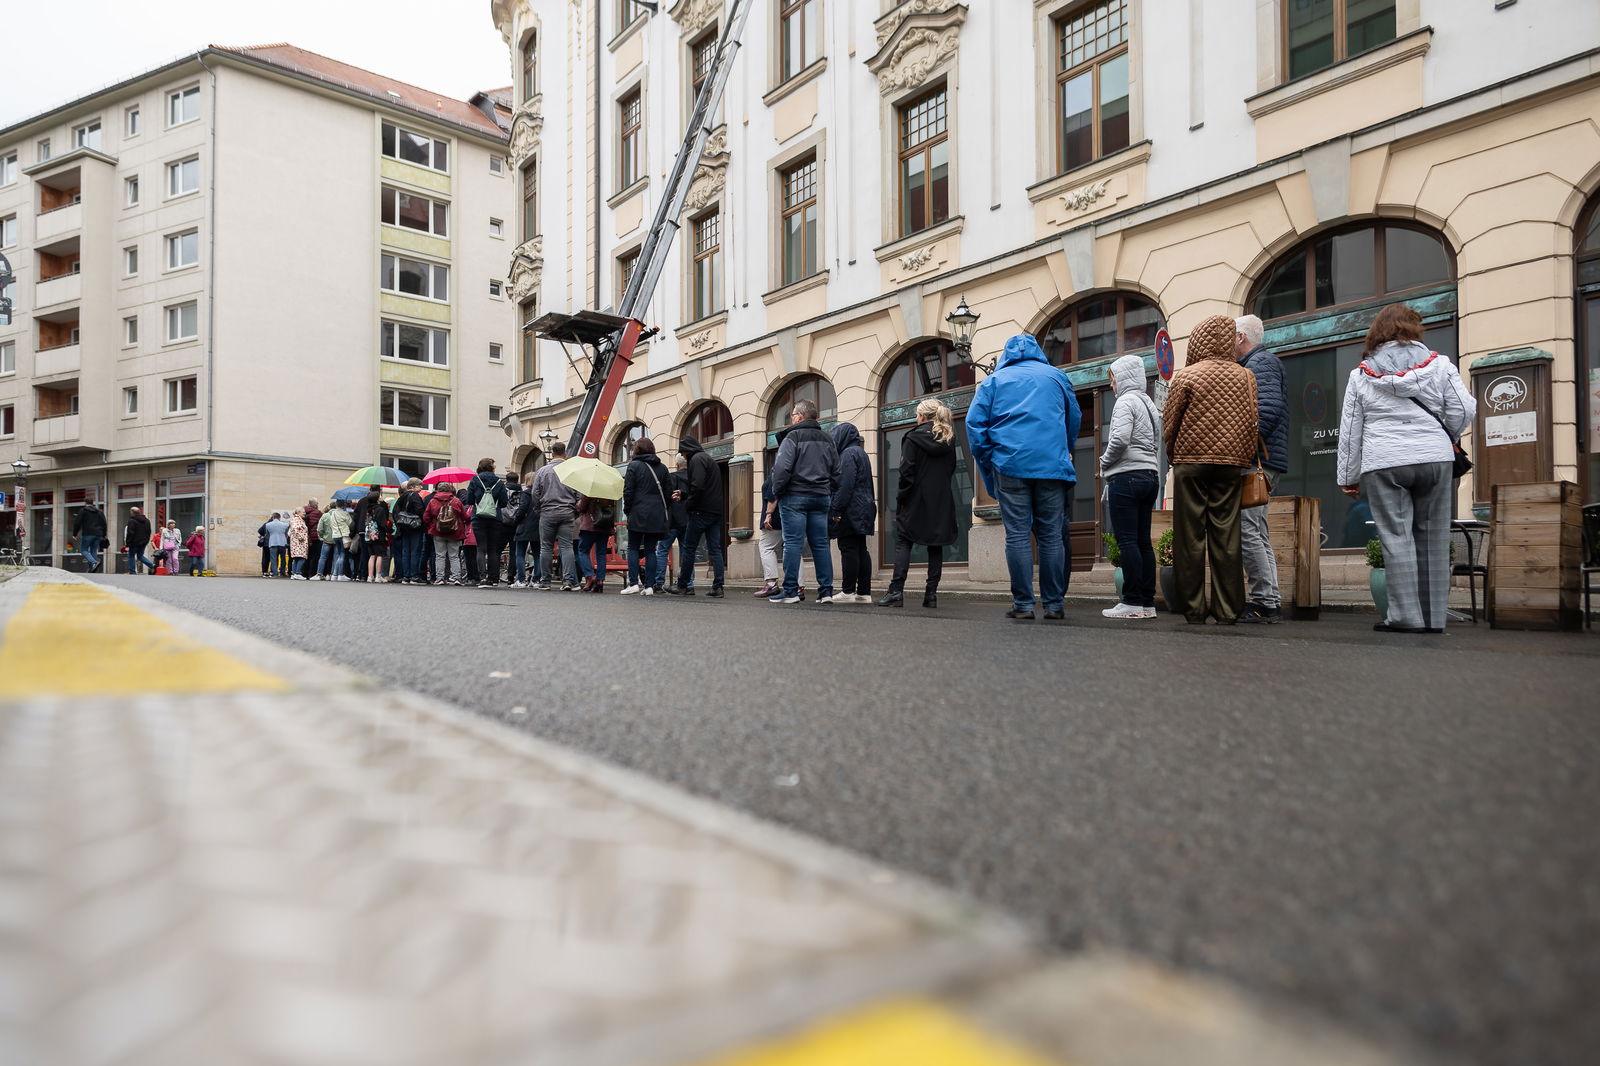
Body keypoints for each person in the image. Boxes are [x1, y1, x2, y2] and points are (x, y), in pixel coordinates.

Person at [1336, 303, 1476, 634]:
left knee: (1396, 537)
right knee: (1434, 536)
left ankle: (1405, 616)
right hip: (1434, 459)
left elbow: (1351, 428)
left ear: (1377, 333)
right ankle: (1433, 618)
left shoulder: (1361, 375)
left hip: (1384, 461)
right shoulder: (1441, 366)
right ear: (1414, 329)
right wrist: (1445, 437)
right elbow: (1464, 408)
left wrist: (1348, 476)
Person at [966, 333, 1081, 621]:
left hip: (1010, 464)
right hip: (1052, 466)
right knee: (1051, 536)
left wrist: (991, 459)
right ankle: (1054, 604)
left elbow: (974, 426)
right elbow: (1074, 417)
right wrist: (1063, 447)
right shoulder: (1056, 376)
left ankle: (1024, 604)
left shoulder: (993, 382)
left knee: (1017, 535)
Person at [1162, 313, 1259, 625]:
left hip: (1190, 463)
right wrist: (1243, 457)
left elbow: (1170, 422)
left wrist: (1173, 455)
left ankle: (1193, 609)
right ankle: (1228, 610)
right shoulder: (1245, 376)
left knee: (1190, 537)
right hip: (1230, 465)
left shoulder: (1187, 376)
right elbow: (1252, 422)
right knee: (1226, 536)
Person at [1098, 353, 1163, 620]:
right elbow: (1157, 442)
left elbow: (1121, 439)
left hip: (1126, 477)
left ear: (1123, 378)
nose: (1112, 386)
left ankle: (1132, 601)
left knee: (1127, 541)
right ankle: (1147, 602)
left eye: (1113, 380)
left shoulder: (1125, 401)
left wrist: (1104, 461)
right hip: (1150, 476)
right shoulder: (1149, 403)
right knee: (1143, 542)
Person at [1235, 314, 1289, 624]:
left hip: (1257, 462)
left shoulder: (1261, 364)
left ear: (1241, 338)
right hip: (1264, 461)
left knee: (1249, 532)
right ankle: (1268, 600)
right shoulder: (1259, 363)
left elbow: (1266, 412)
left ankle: (1264, 603)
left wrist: (1239, 445)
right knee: (1257, 532)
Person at [879, 399, 959, 608]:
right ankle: (931, 594)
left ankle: (896, 591)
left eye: (917, 415)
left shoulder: (913, 438)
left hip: (915, 499)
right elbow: (951, 469)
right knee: (936, 546)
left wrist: (901, 498)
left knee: (904, 541)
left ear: (922, 416)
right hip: (941, 499)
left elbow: (906, 473)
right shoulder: (948, 438)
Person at [768, 399, 840, 605]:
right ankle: (825, 592)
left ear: (799, 416)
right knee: (820, 545)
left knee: (792, 543)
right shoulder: (828, 438)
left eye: (792, 415)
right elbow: (837, 471)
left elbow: (782, 469)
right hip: (820, 497)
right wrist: (828, 490)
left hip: (794, 496)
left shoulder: (793, 436)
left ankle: (790, 591)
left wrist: (778, 492)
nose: (791, 419)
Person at [829, 422, 876, 603]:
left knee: (848, 548)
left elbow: (844, 485)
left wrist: (836, 509)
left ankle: (848, 592)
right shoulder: (860, 452)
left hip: (851, 508)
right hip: (864, 506)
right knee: (861, 549)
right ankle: (864, 592)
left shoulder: (847, 454)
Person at [673, 435, 727, 597]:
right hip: (715, 511)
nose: (682, 456)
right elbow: (704, 487)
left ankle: (683, 585)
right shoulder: (708, 459)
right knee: (715, 549)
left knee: (688, 548)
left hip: (700, 511)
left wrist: (688, 504)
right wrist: (684, 494)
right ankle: (718, 587)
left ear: (687, 450)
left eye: (682, 453)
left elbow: (697, 486)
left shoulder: (696, 460)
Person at [620, 437, 673, 596]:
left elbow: (628, 492)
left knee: (633, 547)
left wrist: (628, 510)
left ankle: (634, 583)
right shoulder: (662, 468)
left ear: (637, 450)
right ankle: (649, 586)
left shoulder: (633, 466)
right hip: (656, 514)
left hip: (638, 512)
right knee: (651, 550)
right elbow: (668, 494)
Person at [533, 442, 580, 591]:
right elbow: (579, 495)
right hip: (567, 512)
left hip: (547, 512)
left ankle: (546, 581)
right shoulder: (571, 470)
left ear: (552, 453)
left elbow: (535, 493)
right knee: (566, 547)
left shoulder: (542, 471)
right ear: (565, 453)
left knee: (545, 547)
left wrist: (538, 509)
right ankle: (567, 581)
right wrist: (574, 510)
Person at [463, 458, 510, 588]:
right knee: (493, 549)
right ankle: (493, 578)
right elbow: (504, 502)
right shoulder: (499, 482)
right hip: (495, 518)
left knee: (481, 548)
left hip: (478, 517)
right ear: (491, 468)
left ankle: (482, 578)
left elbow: (470, 500)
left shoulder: (475, 480)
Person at [656, 455, 693, 594]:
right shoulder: (693, 478)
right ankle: (688, 584)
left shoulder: (672, 477)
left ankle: (659, 583)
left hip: (672, 521)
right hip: (688, 520)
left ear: (677, 464)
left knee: (662, 550)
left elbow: (667, 498)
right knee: (687, 552)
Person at [423, 482, 471, 585]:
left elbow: (426, 517)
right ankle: (457, 578)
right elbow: (465, 516)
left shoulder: (433, 501)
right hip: (455, 533)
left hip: (438, 532)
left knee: (440, 556)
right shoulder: (456, 501)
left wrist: (432, 526)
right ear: (449, 490)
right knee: (454, 556)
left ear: (438, 490)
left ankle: (440, 578)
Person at [574, 494, 616, 592]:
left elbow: (581, 508)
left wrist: (579, 502)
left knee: (583, 551)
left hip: (590, 526)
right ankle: (600, 580)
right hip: (604, 525)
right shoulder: (609, 490)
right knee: (601, 553)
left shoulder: (590, 490)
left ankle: (590, 575)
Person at [391, 479, 428, 584]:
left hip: (404, 527)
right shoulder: (415, 496)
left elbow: (395, 512)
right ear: (413, 486)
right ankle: (414, 576)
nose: (421, 488)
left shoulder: (401, 497)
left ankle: (406, 576)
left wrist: (400, 524)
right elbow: (421, 511)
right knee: (415, 551)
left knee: (405, 551)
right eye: (419, 486)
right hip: (415, 527)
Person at [351, 487, 391, 583]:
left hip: (367, 533)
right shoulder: (380, 508)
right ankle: (377, 576)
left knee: (370, 555)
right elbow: (382, 522)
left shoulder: (367, 508)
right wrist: (389, 529)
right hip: (378, 534)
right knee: (380, 555)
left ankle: (368, 576)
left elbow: (355, 516)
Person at [509, 474, 540, 588]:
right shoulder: (541, 493)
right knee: (537, 554)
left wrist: (515, 519)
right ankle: (535, 580)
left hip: (524, 526)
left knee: (520, 554)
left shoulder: (526, 493)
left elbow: (522, 509)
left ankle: (521, 580)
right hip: (537, 526)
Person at [315, 502, 352, 581]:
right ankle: (333, 574)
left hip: (327, 540)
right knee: (337, 557)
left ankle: (319, 573)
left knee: (323, 557)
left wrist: (322, 536)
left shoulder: (325, 515)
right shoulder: (341, 514)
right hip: (338, 537)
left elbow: (319, 529)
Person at [72, 500, 107, 573]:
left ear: (85, 503)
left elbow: (77, 523)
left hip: (88, 533)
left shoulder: (83, 511)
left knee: (83, 550)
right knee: (93, 551)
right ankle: (91, 570)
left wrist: (75, 534)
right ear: (92, 503)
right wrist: (103, 535)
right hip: (98, 534)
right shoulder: (99, 512)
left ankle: (94, 562)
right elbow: (104, 523)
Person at [125, 507, 155, 574]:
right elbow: (149, 532)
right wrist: (146, 541)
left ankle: (132, 571)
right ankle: (151, 565)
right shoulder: (147, 521)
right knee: (140, 556)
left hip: (134, 543)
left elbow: (130, 533)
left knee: (131, 556)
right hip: (143, 543)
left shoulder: (131, 521)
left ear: (132, 512)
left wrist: (127, 544)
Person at [264, 512, 290, 576]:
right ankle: (282, 573)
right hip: (282, 543)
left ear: (272, 517)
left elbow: (267, 534)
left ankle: (275, 573)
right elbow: (286, 534)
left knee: (273, 559)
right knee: (283, 558)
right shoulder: (285, 525)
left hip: (272, 542)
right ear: (279, 517)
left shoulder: (268, 525)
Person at [288, 508, 310, 579]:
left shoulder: (296, 519)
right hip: (299, 543)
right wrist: (301, 537)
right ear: (299, 512)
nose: (304, 513)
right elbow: (295, 529)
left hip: (296, 543)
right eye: (303, 512)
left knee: (296, 558)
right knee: (301, 558)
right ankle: (297, 573)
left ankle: (294, 573)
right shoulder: (297, 520)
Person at [304, 498, 324, 579]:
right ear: (315, 505)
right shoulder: (318, 513)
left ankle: (304, 573)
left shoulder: (304, 512)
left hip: (307, 537)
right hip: (315, 537)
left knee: (307, 556)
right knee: (316, 556)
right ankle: (312, 573)